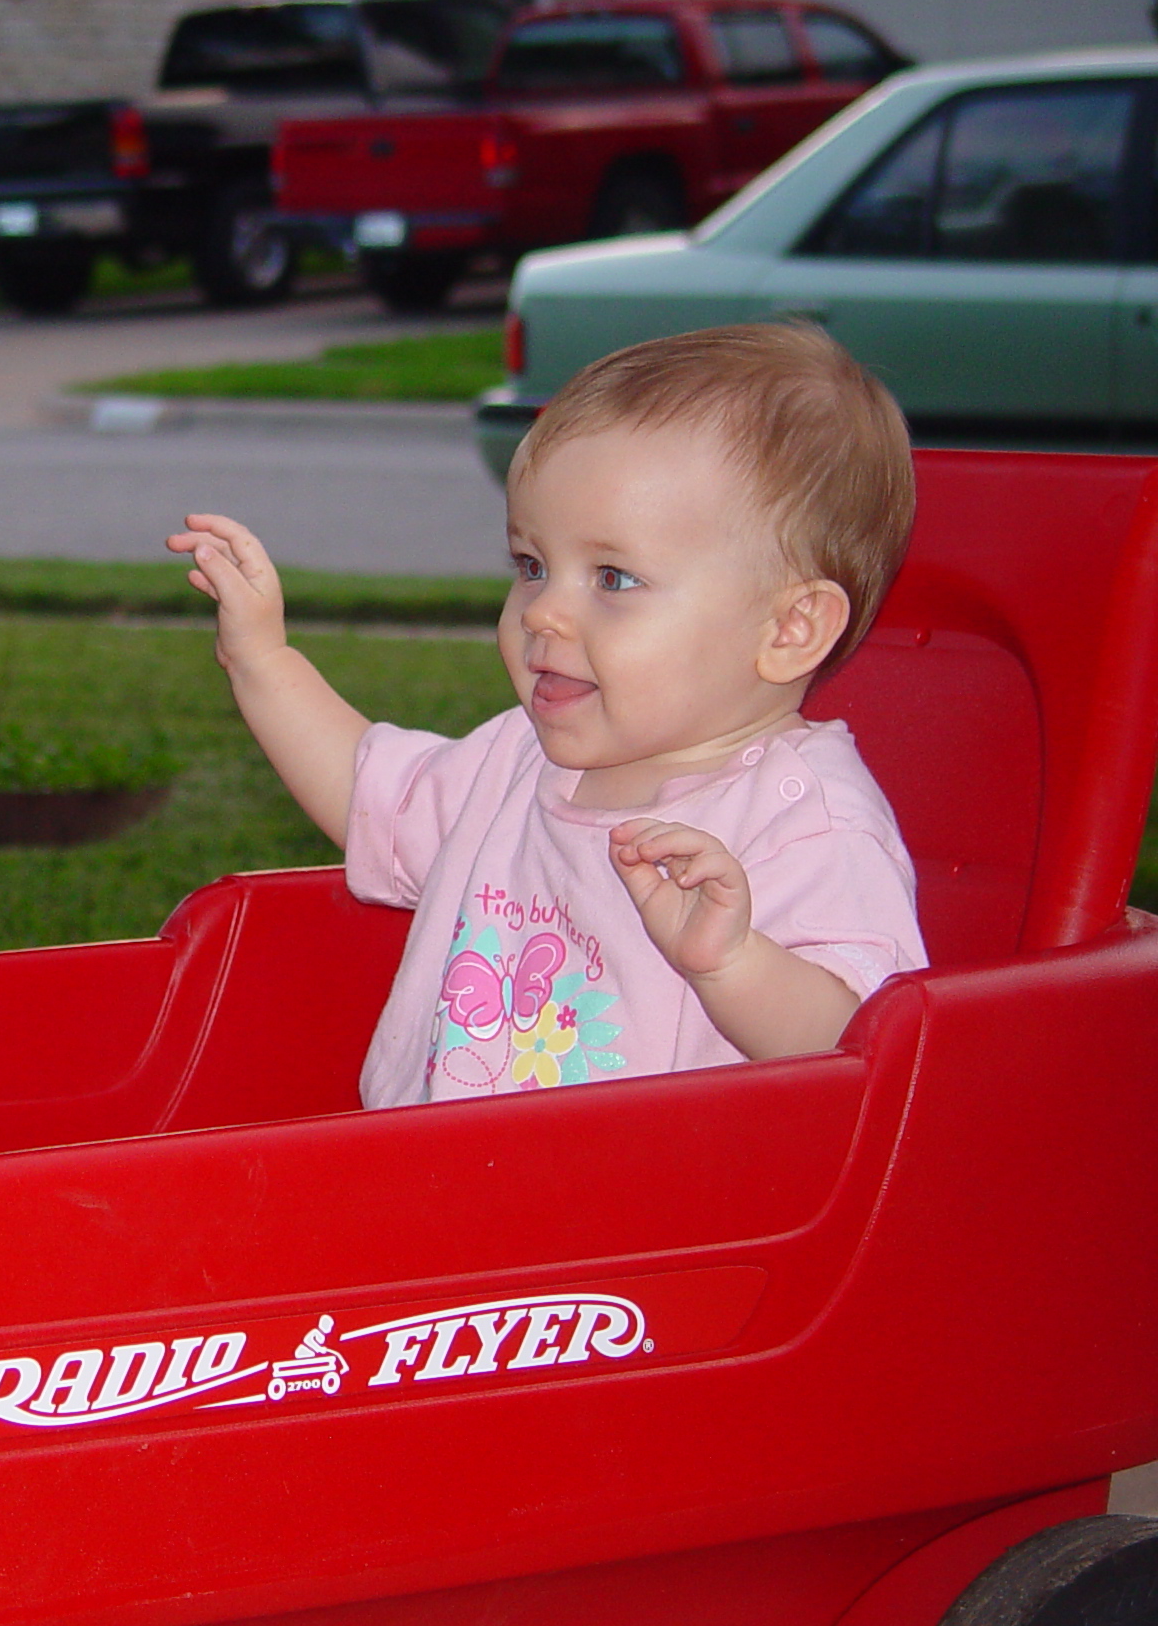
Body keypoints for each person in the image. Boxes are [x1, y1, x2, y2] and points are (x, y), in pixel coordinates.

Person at [168, 322, 926, 1106]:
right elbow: (371, 795)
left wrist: (734, 963)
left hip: (661, 1220)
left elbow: (869, 1052)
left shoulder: (806, 819)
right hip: (433, 1184)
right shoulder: (516, 763)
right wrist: (264, 661)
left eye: (613, 578)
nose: (543, 614)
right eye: (532, 566)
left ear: (788, 629)